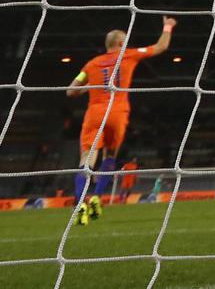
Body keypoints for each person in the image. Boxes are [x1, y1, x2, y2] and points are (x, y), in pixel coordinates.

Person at [66, 16, 177, 225]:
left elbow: (71, 91)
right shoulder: (128, 56)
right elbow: (161, 46)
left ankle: (81, 201)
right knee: (110, 156)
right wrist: (168, 26)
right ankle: (98, 197)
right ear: (119, 43)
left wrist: (88, 87)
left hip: (95, 113)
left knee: (87, 159)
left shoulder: (91, 65)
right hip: (117, 113)